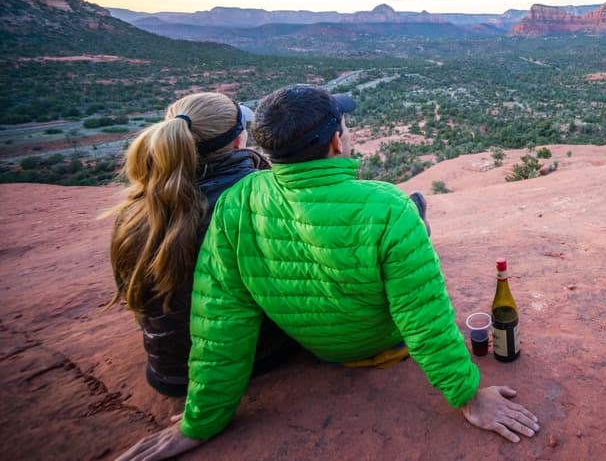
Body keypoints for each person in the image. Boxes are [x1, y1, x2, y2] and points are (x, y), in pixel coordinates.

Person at [116, 84, 539, 460]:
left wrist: (200, 422)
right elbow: (424, 317)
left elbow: (221, 321)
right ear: (337, 141)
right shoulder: (387, 205)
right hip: (378, 341)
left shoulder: (238, 199)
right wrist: (468, 396)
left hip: (312, 343)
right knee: (410, 223)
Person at [108, 92, 294, 397]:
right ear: (238, 141)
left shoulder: (136, 210)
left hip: (169, 370)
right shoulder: (260, 196)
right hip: (258, 356)